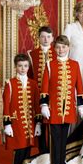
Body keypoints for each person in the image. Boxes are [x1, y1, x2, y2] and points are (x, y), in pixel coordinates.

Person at [40, 35, 83, 164]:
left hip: (68, 109)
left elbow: (79, 86)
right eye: (58, 47)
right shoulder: (49, 65)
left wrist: (81, 106)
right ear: (54, 49)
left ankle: (62, 163)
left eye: (64, 47)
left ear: (68, 48)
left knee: (64, 138)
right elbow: (44, 87)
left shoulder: (75, 64)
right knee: (55, 138)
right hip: (53, 109)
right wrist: (44, 105)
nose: (61, 50)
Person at [3, 54, 42, 164]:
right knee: (18, 149)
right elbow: (6, 105)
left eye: (25, 66)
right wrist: (7, 124)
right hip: (16, 123)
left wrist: (38, 124)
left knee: (27, 150)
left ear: (28, 67)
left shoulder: (33, 84)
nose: (23, 68)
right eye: (20, 66)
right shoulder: (10, 83)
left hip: (30, 124)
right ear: (15, 67)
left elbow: (37, 105)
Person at [28, 26, 56, 154]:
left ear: (52, 38)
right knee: (39, 123)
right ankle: (42, 151)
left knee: (52, 123)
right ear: (38, 38)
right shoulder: (32, 54)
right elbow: (29, 77)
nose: (46, 39)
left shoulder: (57, 53)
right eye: (43, 36)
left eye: (48, 37)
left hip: (54, 95)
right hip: (37, 95)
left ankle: (52, 151)